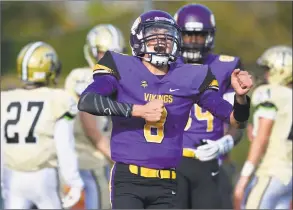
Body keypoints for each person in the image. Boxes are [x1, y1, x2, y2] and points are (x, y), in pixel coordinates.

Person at [78, 10, 253, 209]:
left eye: (167, 36)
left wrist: (241, 97)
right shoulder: (121, 66)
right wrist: (137, 110)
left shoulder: (190, 76)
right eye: (154, 35)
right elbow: (87, 101)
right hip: (128, 180)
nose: (161, 41)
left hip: (168, 181)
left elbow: (236, 120)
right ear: (139, 38)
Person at [173, 4, 244, 208]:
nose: (194, 42)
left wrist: (224, 143)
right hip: (171, 161)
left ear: (210, 37)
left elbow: (237, 121)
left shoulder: (226, 67)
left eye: (199, 36)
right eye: (187, 35)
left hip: (209, 161)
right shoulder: (163, 66)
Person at [1, 41, 84, 209]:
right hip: (43, 176)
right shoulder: (58, 100)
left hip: (12, 175)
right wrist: (73, 181)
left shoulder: (5, 99)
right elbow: (64, 144)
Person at [63, 24, 125, 209]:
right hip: (89, 161)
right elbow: (90, 126)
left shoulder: (119, 80)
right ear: (92, 52)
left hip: (103, 160)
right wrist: (119, 156)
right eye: (103, 53)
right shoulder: (83, 77)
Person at [234, 46, 292, 210]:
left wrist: (244, 176)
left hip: (271, 172)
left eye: (268, 69)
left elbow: (263, 138)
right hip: (288, 176)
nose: (265, 74)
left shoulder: (271, 94)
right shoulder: (288, 98)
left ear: (280, 71)